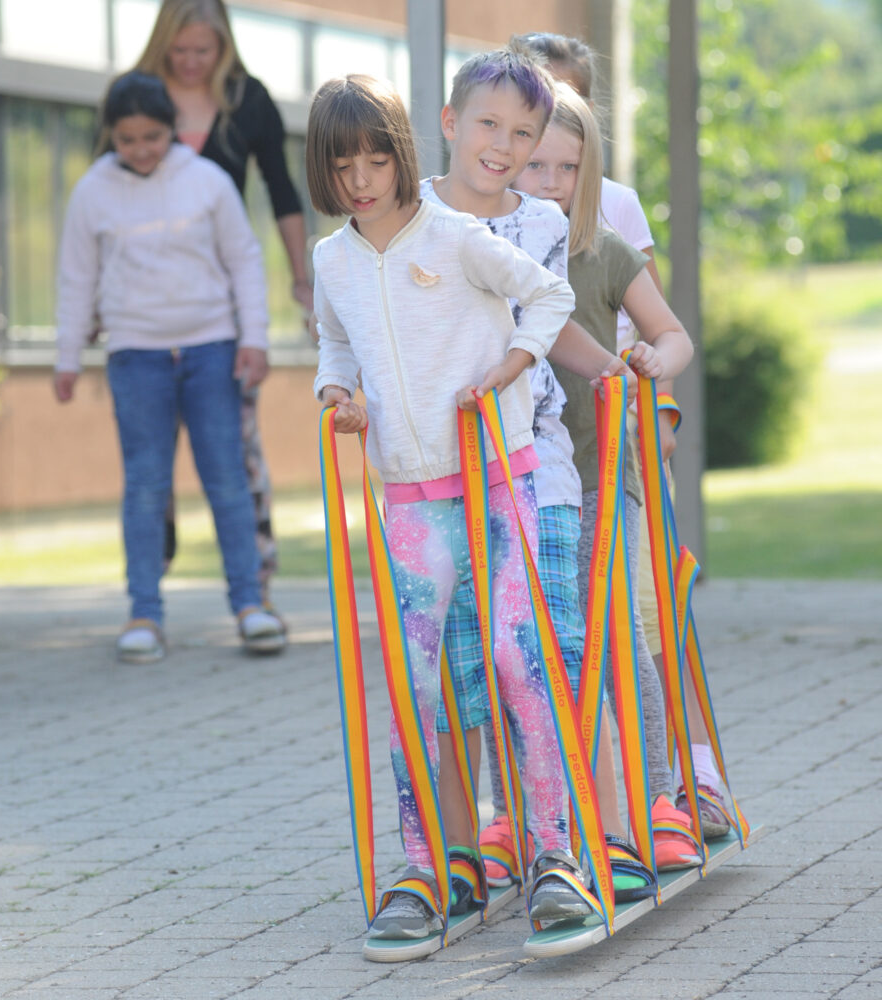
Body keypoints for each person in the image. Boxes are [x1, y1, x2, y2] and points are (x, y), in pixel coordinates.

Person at [307, 72, 589, 940]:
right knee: (410, 677)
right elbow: (336, 342)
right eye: (344, 162)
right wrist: (336, 394)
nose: (362, 177)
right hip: (410, 497)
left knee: (515, 655)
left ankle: (555, 857)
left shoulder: (457, 235)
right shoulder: (331, 259)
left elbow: (550, 296)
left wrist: (515, 362)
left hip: (498, 476)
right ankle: (427, 867)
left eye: (377, 157)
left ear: (402, 154)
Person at [422, 44, 656, 907]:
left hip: (535, 467)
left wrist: (614, 372)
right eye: (490, 124)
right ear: (450, 124)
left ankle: (580, 842)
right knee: (457, 679)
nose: (506, 145)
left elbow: (550, 323)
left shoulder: (546, 225)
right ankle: (459, 854)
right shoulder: (409, 222)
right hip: (442, 478)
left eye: (523, 132)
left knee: (550, 659)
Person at [517, 32, 732, 839]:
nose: (548, 179)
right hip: (525, 473)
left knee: (631, 624)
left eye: (566, 168)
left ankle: (663, 795)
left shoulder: (601, 249)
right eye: (534, 161)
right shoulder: (483, 247)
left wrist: (649, 368)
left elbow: (670, 333)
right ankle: (549, 810)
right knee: (534, 640)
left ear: (588, 174)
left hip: (608, 469)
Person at [53, 71, 286, 661]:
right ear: (112, 135)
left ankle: (250, 605)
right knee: (146, 487)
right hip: (136, 357)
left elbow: (244, 261)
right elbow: (76, 276)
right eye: (128, 139)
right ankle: (144, 615)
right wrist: (66, 357)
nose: (141, 150)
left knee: (228, 482)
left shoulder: (207, 181)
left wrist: (252, 340)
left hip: (211, 350)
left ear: (173, 129)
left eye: (152, 137)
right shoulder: (92, 191)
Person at [131, 0, 313, 625]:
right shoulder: (138, 94)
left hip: (219, 306)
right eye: (179, 50)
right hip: (145, 306)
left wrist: (301, 279)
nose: (189, 63)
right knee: (149, 459)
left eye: (202, 52)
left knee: (237, 448)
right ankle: (146, 589)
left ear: (224, 46)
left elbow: (281, 191)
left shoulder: (245, 99)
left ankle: (255, 582)